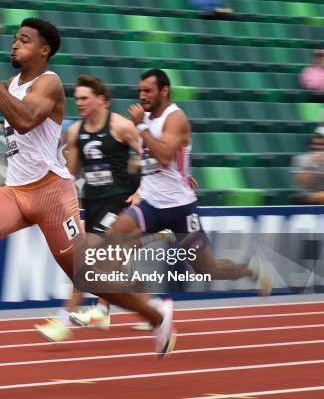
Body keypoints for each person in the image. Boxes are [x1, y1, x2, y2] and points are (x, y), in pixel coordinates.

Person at [0, 19, 175, 361]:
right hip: (16, 191)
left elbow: (26, 120)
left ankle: (157, 316)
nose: (14, 45)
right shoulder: (12, 83)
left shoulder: (50, 82)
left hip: (51, 194)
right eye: (14, 39)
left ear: (44, 50)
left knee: (88, 278)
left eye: (24, 40)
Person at [99, 69, 271, 299]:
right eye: (140, 91)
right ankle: (146, 305)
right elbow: (149, 160)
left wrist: (141, 128)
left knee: (208, 270)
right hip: (150, 203)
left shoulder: (175, 118)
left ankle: (252, 270)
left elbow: (163, 156)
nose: (142, 96)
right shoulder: (146, 119)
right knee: (114, 236)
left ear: (165, 91)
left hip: (179, 208)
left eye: (148, 91)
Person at [34, 75, 144, 341]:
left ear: (100, 100)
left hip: (117, 202)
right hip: (91, 203)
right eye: (77, 99)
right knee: (109, 269)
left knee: (85, 259)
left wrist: (141, 191)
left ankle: (63, 321)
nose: (79, 103)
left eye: (85, 98)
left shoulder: (121, 126)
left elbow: (148, 154)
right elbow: (72, 172)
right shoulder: (75, 132)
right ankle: (151, 308)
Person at [292, 126, 324, 204]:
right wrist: (312, 163)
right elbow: (303, 185)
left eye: (322, 144)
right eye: (316, 143)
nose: (318, 146)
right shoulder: (301, 159)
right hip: (307, 196)